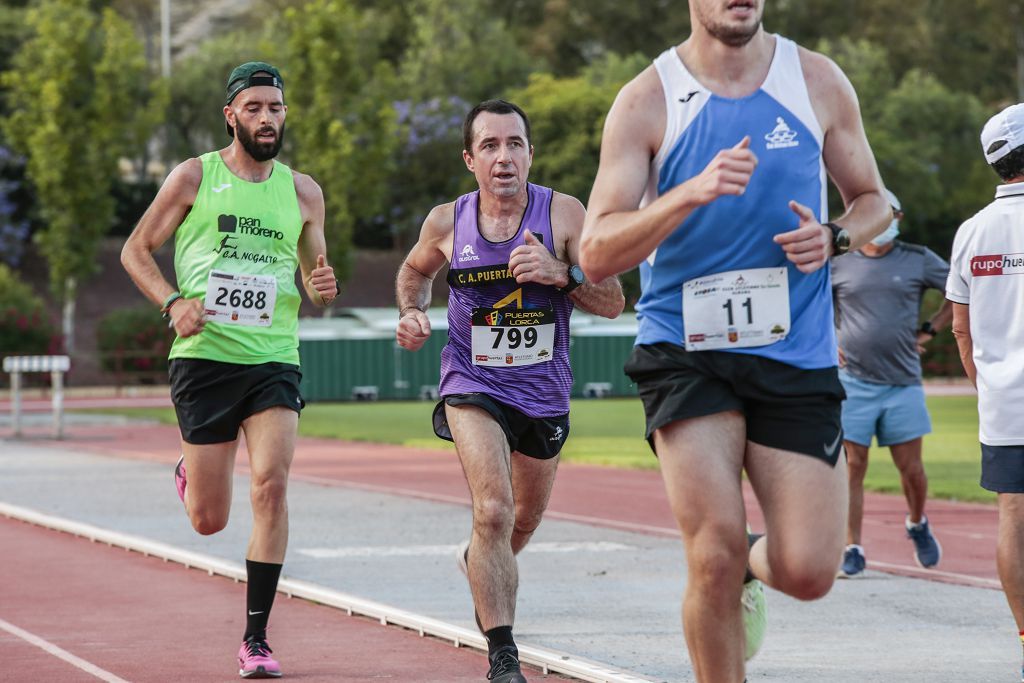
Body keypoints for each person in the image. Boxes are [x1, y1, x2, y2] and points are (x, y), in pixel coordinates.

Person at [578, 1, 891, 680]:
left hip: (794, 350)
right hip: (685, 350)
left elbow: (876, 201)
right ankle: (730, 566)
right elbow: (596, 251)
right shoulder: (647, 99)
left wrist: (837, 237)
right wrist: (686, 193)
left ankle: (755, 555)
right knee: (710, 552)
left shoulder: (817, 81)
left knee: (810, 569)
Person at [394, 99, 624, 683]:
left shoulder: (564, 215)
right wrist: (414, 312)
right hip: (472, 381)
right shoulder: (447, 222)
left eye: (515, 144)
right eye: (490, 146)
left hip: (543, 394)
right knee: (493, 511)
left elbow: (615, 301)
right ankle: (503, 657)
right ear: (470, 159)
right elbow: (416, 271)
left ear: (529, 154)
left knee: (521, 522)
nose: (504, 157)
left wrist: (562, 273)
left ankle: (482, 565)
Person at [121, 62, 337, 679]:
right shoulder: (194, 176)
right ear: (231, 115)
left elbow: (316, 279)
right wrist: (173, 302)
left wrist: (323, 284)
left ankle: (256, 637)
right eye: (254, 108)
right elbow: (134, 250)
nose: (267, 118)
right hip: (205, 358)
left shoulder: (304, 192)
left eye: (276, 108)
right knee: (210, 520)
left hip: (273, 357)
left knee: (270, 486)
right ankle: (192, 468)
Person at [832, 188, 951, 577]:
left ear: (897, 218)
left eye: (890, 216)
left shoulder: (916, 259)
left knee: (911, 470)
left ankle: (916, 523)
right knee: (853, 467)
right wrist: (829, 338)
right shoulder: (839, 261)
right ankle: (852, 546)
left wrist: (930, 330)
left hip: (902, 382)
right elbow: (808, 302)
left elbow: (959, 290)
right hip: (853, 382)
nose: (883, 225)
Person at [946, 102, 1024, 682]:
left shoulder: (971, 231)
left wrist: (989, 386)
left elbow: (960, 329)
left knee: (1014, 518)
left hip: (1005, 403)